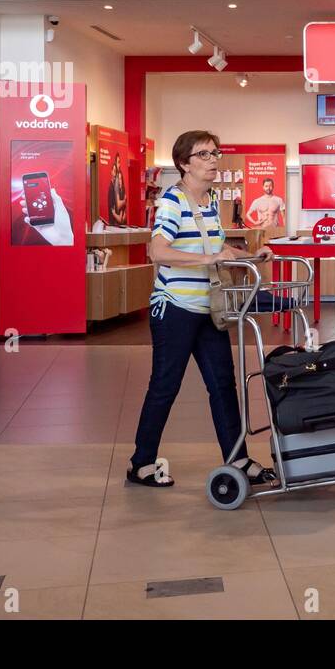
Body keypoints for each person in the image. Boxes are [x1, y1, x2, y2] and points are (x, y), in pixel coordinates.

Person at [128, 130, 277, 488]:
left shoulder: (209, 201)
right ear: (184, 163)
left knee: (223, 385)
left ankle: (238, 458)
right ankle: (141, 463)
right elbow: (158, 252)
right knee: (165, 386)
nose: (213, 160)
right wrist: (209, 257)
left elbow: (217, 244)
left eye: (215, 153)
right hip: (175, 310)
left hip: (208, 310)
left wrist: (248, 255)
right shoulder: (171, 202)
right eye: (204, 155)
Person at [106, 158, 126, 227]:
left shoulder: (119, 191)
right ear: (111, 171)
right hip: (113, 226)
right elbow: (113, 211)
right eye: (114, 171)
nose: (115, 174)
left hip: (119, 226)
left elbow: (122, 216)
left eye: (116, 172)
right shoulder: (111, 189)